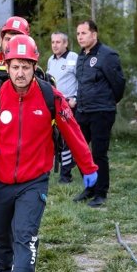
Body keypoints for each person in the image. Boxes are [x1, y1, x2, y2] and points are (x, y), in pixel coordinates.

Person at [0, 34, 98, 272]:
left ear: (34, 67)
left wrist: (88, 167)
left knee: (25, 233)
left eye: (26, 67)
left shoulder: (49, 96)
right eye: (16, 66)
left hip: (34, 180)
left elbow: (73, 132)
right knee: (0, 236)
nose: (20, 72)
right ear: (7, 66)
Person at [72, 20, 126, 208]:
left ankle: (101, 193)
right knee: (79, 150)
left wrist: (108, 102)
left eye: (84, 33)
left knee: (98, 153)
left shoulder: (107, 55)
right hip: (83, 110)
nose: (80, 37)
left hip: (102, 111)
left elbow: (118, 84)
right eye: (78, 33)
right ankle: (90, 187)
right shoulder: (81, 56)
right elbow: (82, 84)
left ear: (94, 35)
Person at [46, 31, 79, 184]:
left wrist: (76, 98)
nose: (55, 45)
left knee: (67, 139)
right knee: (55, 139)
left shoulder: (73, 58)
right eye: (53, 42)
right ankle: (61, 166)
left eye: (58, 42)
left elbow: (82, 79)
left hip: (69, 105)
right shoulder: (50, 61)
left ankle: (66, 175)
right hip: (53, 105)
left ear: (65, 43)